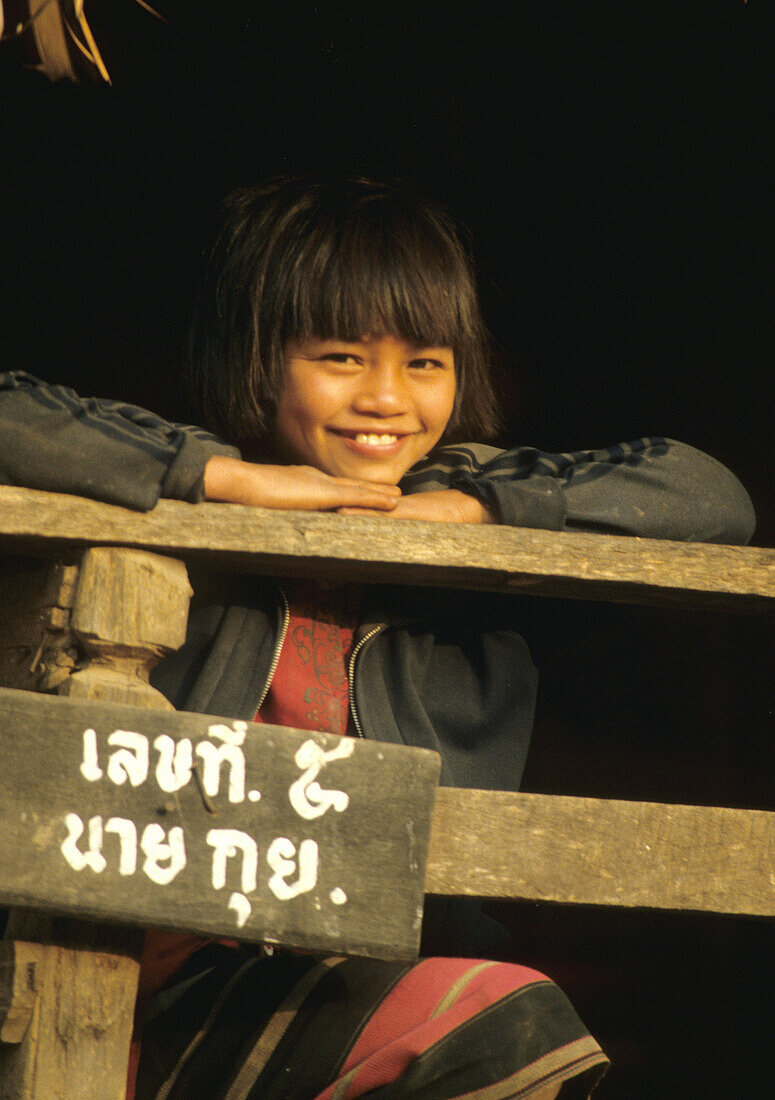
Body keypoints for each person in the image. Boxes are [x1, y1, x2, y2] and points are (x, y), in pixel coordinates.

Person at [0, 176, 756, 1099]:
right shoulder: (194, 486)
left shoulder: (475, 508)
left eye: (425, 363)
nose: (386, 400)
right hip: (158, 985)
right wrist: (225, 483)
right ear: (258, 358)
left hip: (374, 986)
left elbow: (709, 493)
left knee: (502, 1022)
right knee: (507, 1024)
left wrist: (483, 505)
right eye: (340, 357)